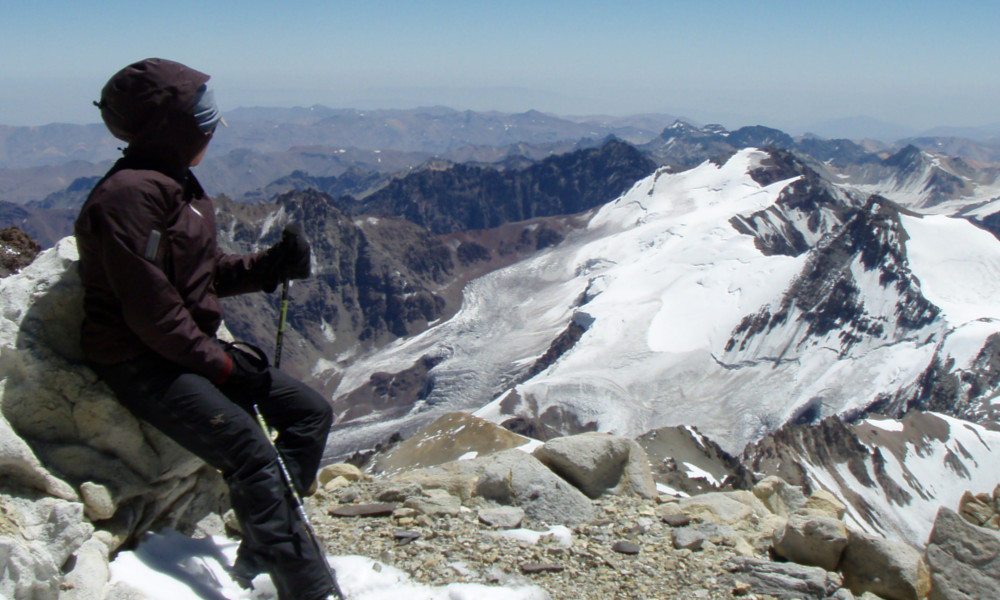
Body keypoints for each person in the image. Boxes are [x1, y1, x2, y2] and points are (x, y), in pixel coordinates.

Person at [74, 58, 338, 600]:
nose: (214, 131)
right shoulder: (128, 197)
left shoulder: (173, 182)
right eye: (205, 121)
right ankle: (308, 589)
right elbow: (149, 311)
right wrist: (219, 363)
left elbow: (199, 274)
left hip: (181, 349)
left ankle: (262, 554)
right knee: (252, 453)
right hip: (139, 360)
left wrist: (268, 268)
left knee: (310, 414)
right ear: (172, 128)